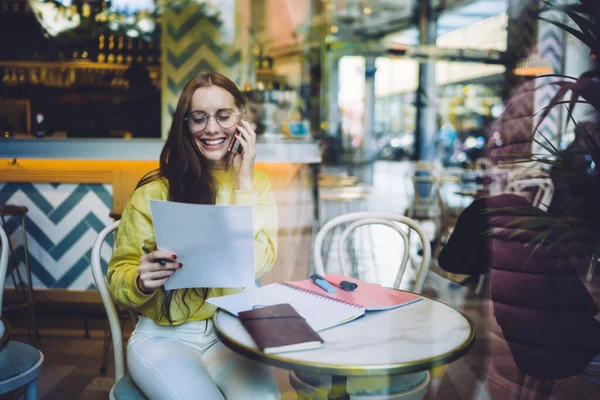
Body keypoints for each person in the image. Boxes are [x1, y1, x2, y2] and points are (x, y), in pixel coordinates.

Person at [107, 72, 280, 400]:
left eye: (223, 115)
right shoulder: (155, 191)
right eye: (198, 118)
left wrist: (244, 182)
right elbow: (119, 279)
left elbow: (254, 266)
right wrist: (141, 280)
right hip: (164, 338)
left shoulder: (256, 185)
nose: (212, 128)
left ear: (241, 121)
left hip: (232, 334)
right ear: (184, 126)